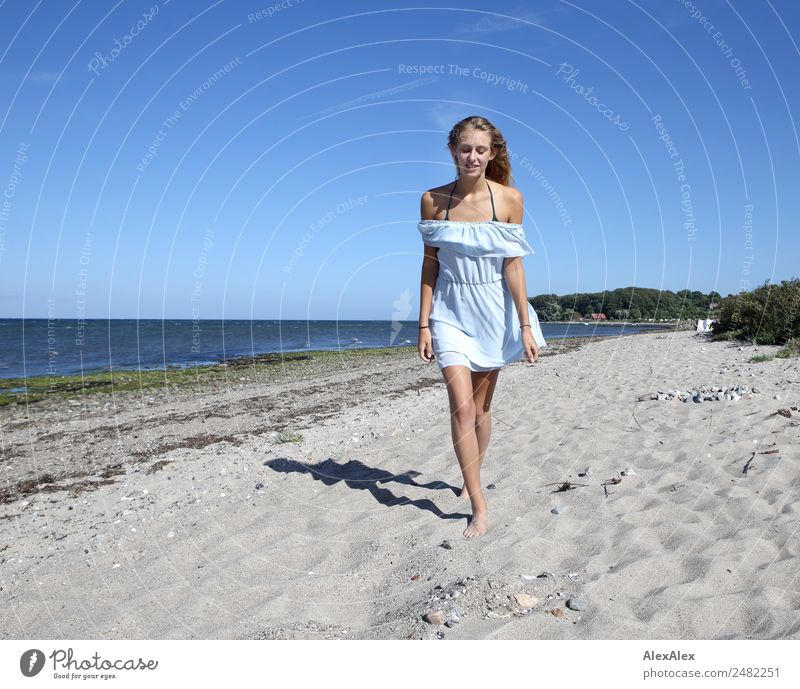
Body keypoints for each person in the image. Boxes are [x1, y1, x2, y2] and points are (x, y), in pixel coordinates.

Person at [417, 115, 547, 538]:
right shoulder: (433, 200)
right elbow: (430, 263)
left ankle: (471, 470)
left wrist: (525, 326)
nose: (471, 156)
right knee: (461, 407)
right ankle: (479, 501)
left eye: (480, 149)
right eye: (464, 148)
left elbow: (513, 265)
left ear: (492, 154)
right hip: (450, 311)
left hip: (494, 311)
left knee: (483, 409)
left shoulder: (509, 199)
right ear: (453, 150)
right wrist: (423, 324)